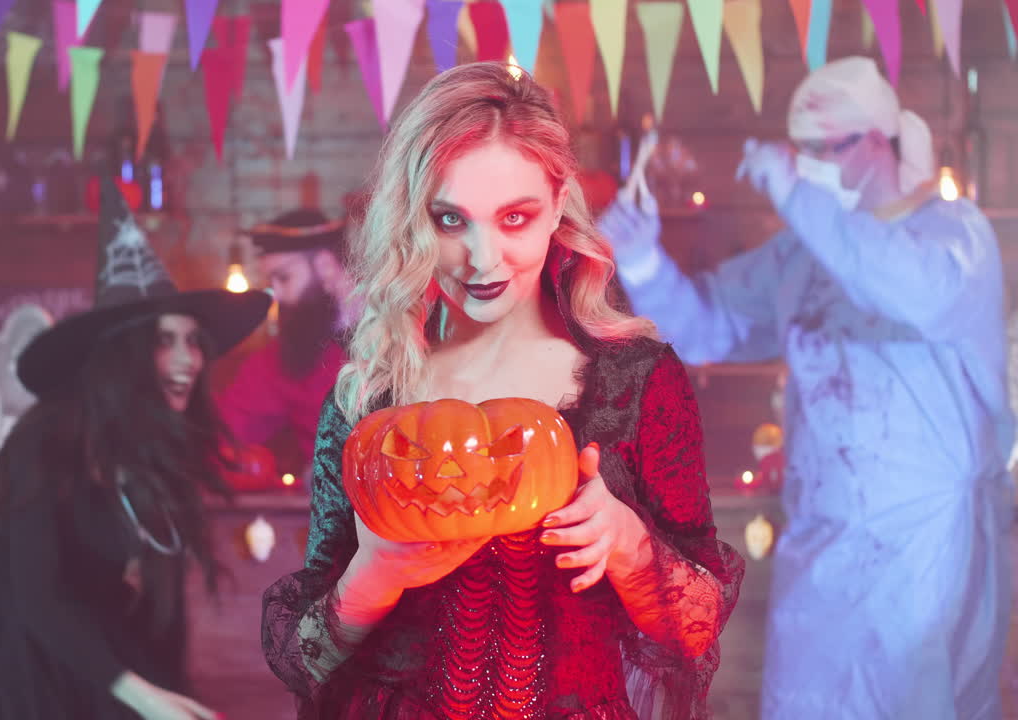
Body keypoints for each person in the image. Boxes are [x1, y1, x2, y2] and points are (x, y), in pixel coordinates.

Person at [261, 62, 744, 720]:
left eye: (515, 218)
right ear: (412, 222)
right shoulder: (370, 394)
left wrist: (631, 545)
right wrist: (373, 575)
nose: (483, 258)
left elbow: (697, 629)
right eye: (451, 221)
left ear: (558, 209)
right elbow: (301, 657)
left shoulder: (636, 382)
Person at [599, 56, 1013, 719]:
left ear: (878, 140)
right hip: (825, 538)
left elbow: (900, 286)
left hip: (927, 545)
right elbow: (708, 330)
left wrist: (797, 192)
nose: (809, 166)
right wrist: (645, 259)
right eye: (802, 153)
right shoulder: (801, 254)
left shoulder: (952, 239)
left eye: (824, 151)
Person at [0, 179, 271, 720]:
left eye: (193, 340)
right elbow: (39, 599)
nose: (188, 358)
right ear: (123, 354)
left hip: (103, 666)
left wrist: (165, 692)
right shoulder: (45, 443)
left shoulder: (161, 452)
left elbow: (158, 608)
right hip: (13, 666)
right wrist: (143, 696)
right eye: (165, 340)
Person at [219, 209, 353, 476]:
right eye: (271, 282)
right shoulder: (287, 356)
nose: (275, 295)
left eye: (284, 278)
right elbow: (224, 429)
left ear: (325, 266)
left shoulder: (406, 328)